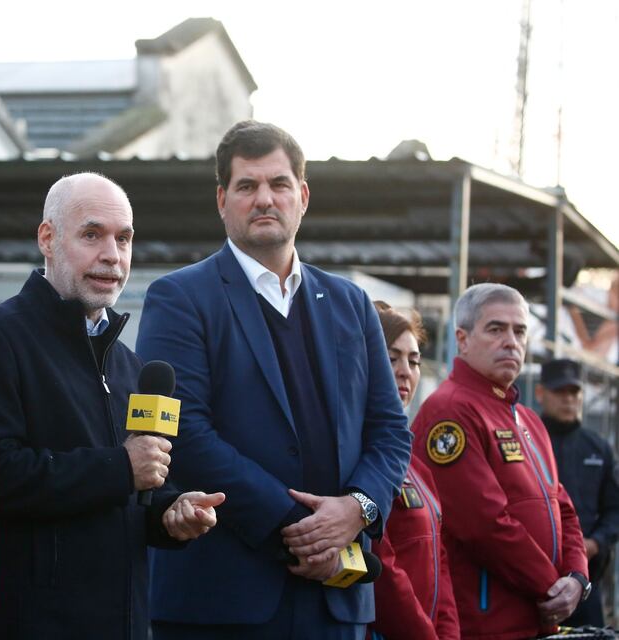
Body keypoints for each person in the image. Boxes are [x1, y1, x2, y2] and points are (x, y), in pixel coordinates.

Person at [135, 120, 411, 639]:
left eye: (279, 184)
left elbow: (391, 431)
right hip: (223, 600)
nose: (265, 199)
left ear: (302, 196)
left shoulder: (351, 303)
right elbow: (184, 431)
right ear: (222, 199)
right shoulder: (181, 298)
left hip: (336, 601)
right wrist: (303, 531)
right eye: (247, 186)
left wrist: (358, 510)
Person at [0, 172, 224, 639]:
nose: (112, 256)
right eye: (92, 235)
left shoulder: (130, 365)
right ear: (47, 238)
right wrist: (121, 468)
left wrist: (169, 513)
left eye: (124, 238)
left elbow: (136, 489)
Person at [411, 283, 589, 639]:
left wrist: (577, 577)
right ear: (462, 339)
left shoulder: (529, 419)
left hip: (536, 617)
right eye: (496, 329)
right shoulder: (450, 410)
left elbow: (564, 508)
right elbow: (484, 525)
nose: (511, 341)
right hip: (485, 624)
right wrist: (552, 587)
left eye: (519, 330)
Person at [368, 303, 458, 639]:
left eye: (414, 360)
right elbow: (382, 572)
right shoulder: (354, 455)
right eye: (392, 358)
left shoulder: (415, 463)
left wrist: (448, 633)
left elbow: (441, 561)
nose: (406, 371)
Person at [538, 357, 619, 627]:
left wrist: (595, 543)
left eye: (573, 392)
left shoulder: (598, 448)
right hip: (535, 578)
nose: (568, 400)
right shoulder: (524, 440)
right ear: (540, 393)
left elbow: (614, 509)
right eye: (559, 392)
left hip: (587, 581)